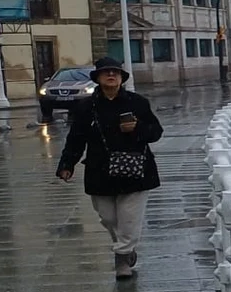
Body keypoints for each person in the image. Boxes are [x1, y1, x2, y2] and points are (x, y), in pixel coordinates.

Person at [56, 57, 164, 279]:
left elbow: (156, 132)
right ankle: (126, 248)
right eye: (106, 73)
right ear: (97, 78)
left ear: (122, 78)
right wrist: (67, 164)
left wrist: (137, 129)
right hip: (100, 170)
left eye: (116, 72)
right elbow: (76, 139)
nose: (111, 76)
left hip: (135, 170)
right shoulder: (86, 107)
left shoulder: (137, 102)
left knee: (129, 217)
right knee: (108, 217)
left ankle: (122, 259)